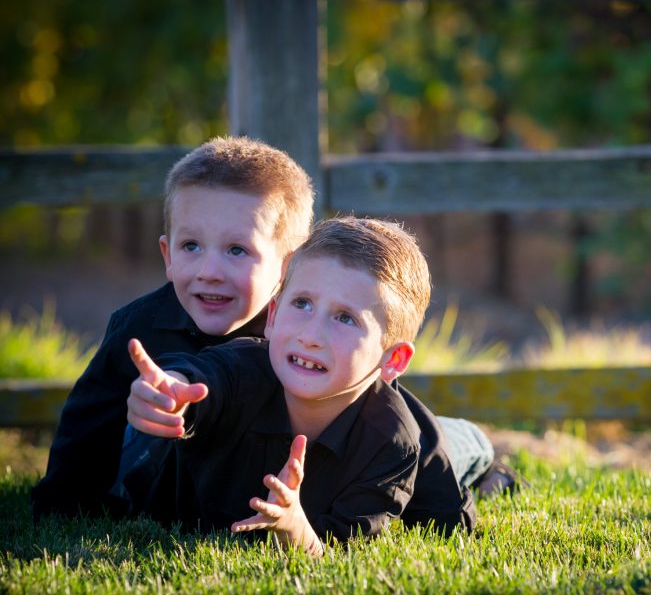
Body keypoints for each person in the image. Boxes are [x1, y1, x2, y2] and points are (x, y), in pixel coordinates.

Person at [31, 136, 503, 524]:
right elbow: (88, 420)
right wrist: (63, 501)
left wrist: (447, 511)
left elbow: (394, 413)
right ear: (167, 255)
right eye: (191, 246)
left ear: (289, 265)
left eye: (237, 250)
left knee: (431, 446)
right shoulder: (140, 326)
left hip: (334, 454)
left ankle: (476, 447)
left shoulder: (302, 324)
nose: (210, 270)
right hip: (199, 453)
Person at [125, 217, 458, 553]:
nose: (310, 336)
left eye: (345, 318)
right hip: (149, 459)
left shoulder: (392, 443)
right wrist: (172, 394)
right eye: (302, 303)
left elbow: (340, 552)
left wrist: (296, 529)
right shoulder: (243, 369)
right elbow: (204, 376)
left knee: (450, 471)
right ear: (272, 315)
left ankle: (475, 444)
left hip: (410, 432)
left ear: (394, 359)